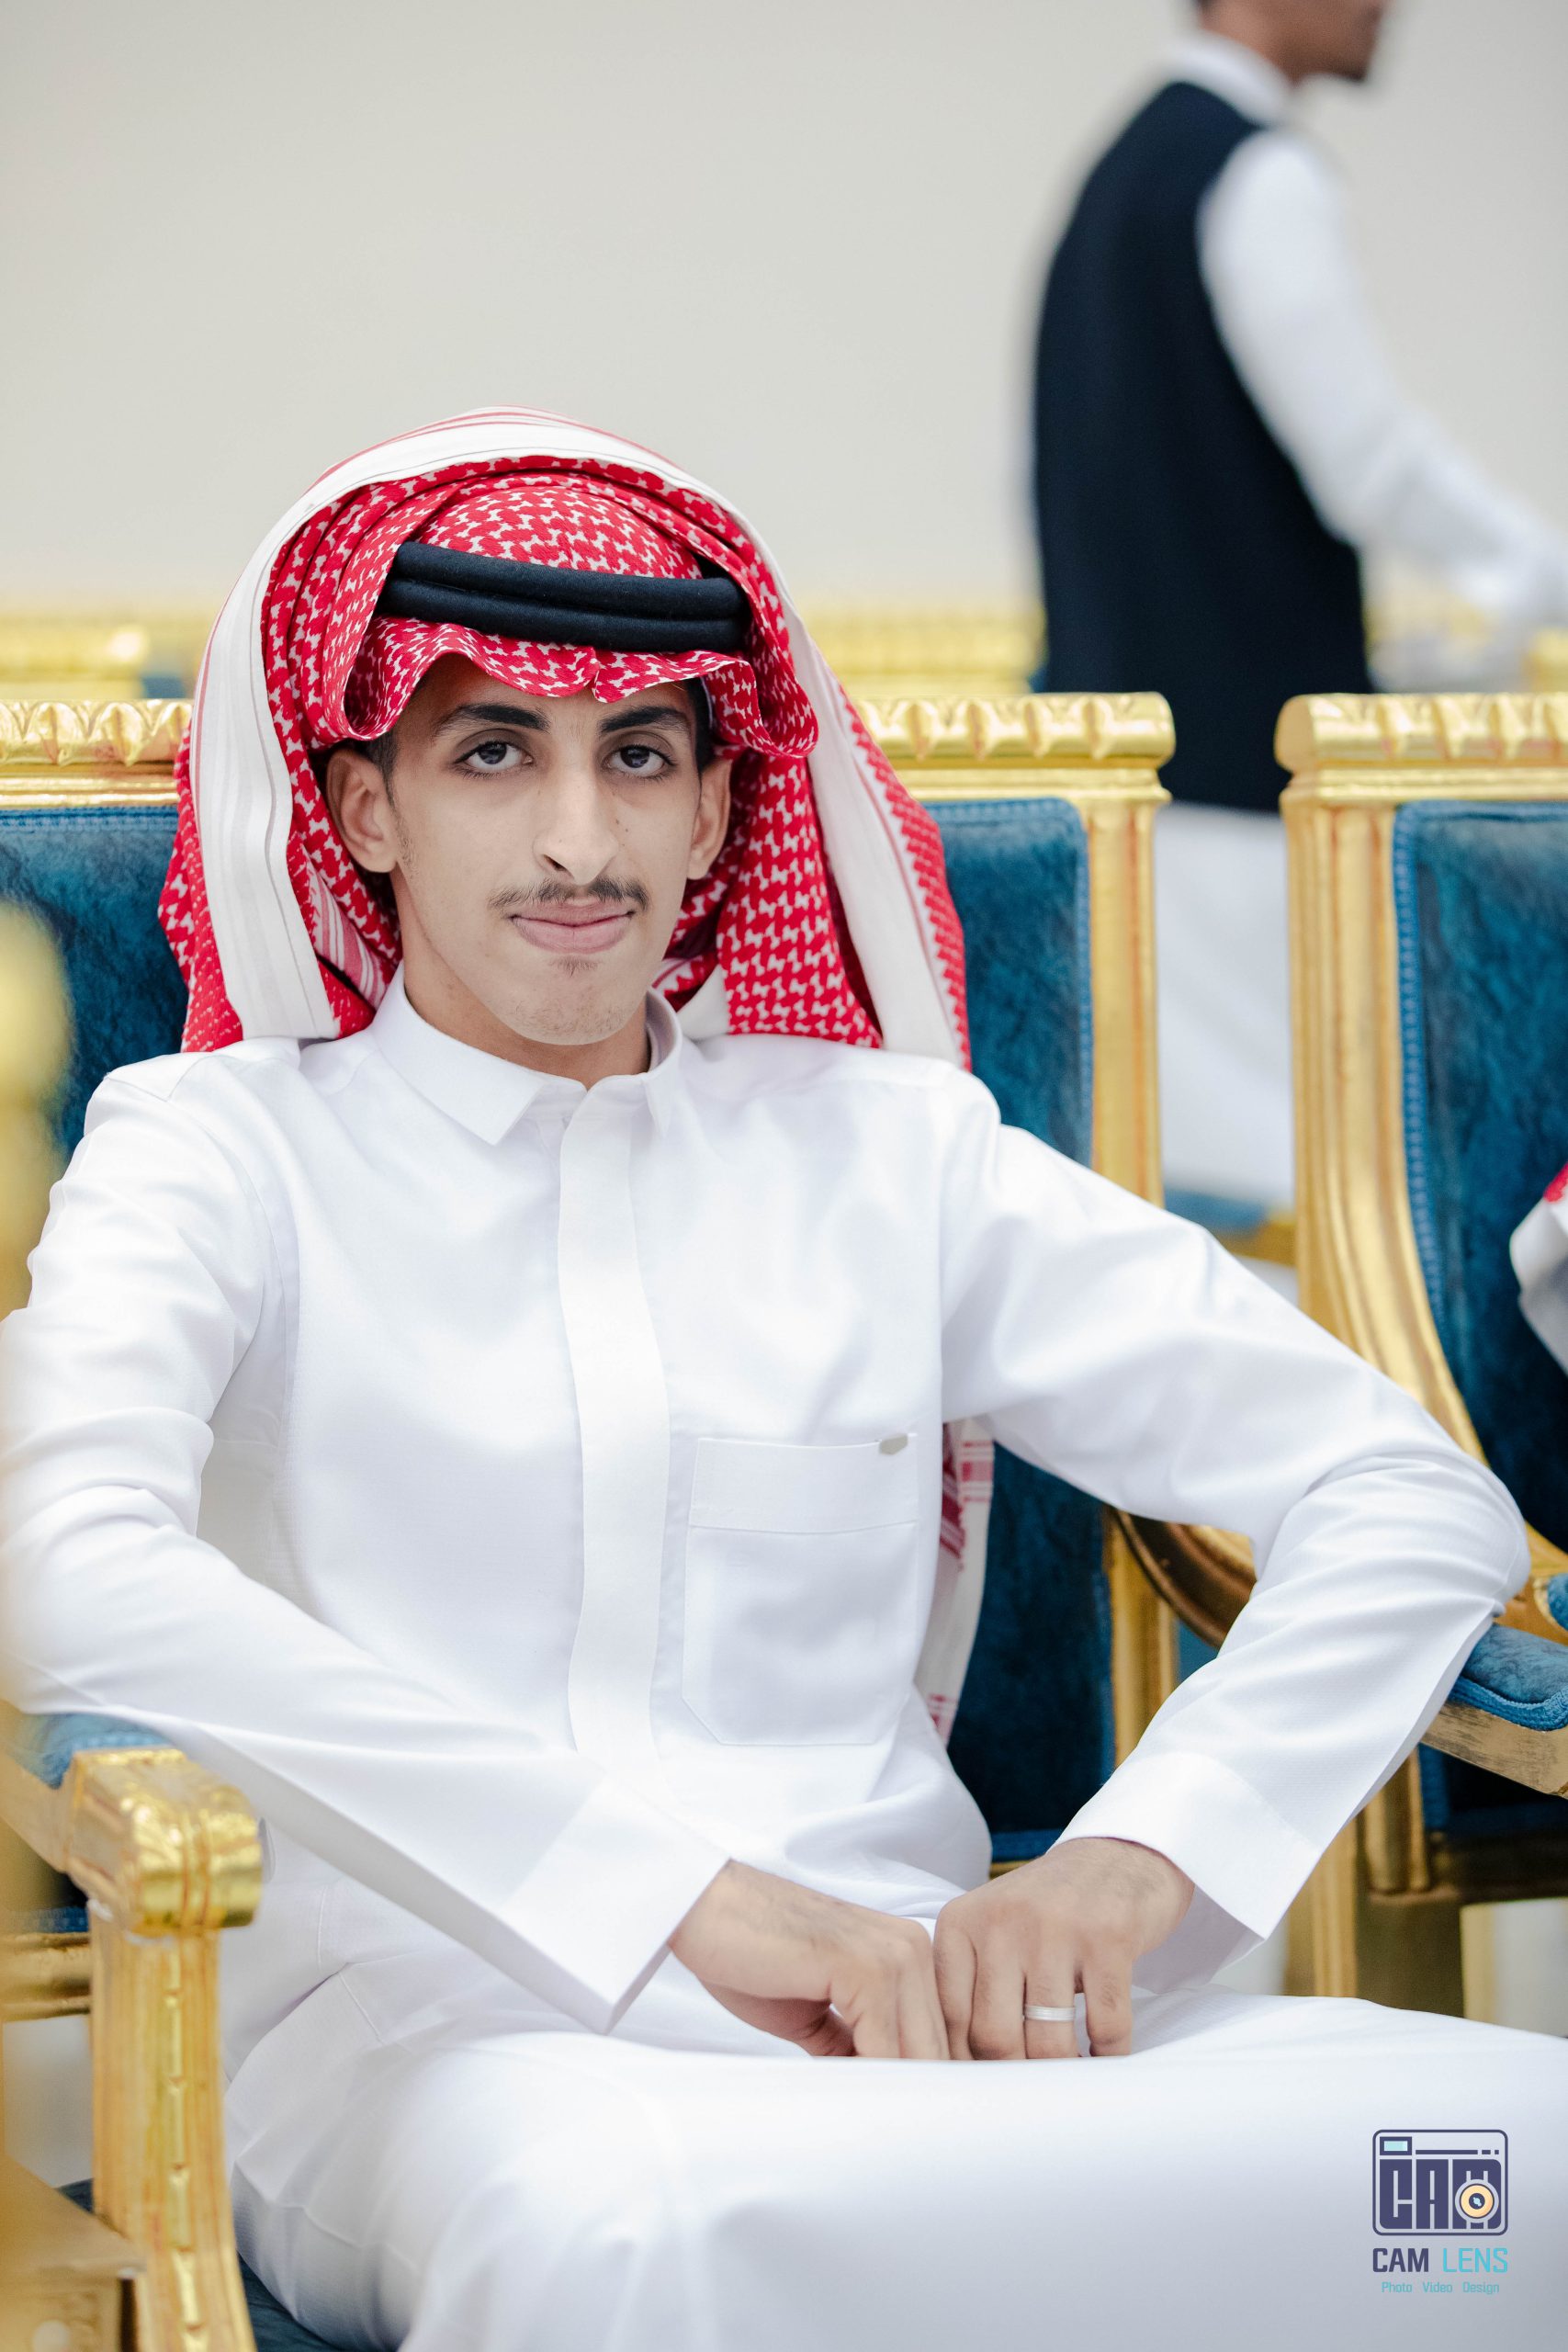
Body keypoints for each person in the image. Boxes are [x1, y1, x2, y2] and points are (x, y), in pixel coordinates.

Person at [4, 410, 1565, 2352]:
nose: (580, 842)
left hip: (945, 2030)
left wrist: (1137, 1859)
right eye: (492, 752)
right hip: (436, 2049)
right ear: (366, 807)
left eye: (637, 756)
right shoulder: (223, 1149)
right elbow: (55, 1560)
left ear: (719, 807)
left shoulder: (883, 1153)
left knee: (1500, 2173)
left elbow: (1406, 1496)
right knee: (620, 2239)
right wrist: (673, 1895)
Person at [1032, 0, 1568, 1214]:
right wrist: (1538, 569)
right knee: (1315, 1211)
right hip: (1260, 807)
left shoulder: (1119, 176)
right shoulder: (1253, 174)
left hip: (1135, 800)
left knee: (1187, 1201)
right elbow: (1369, 460)